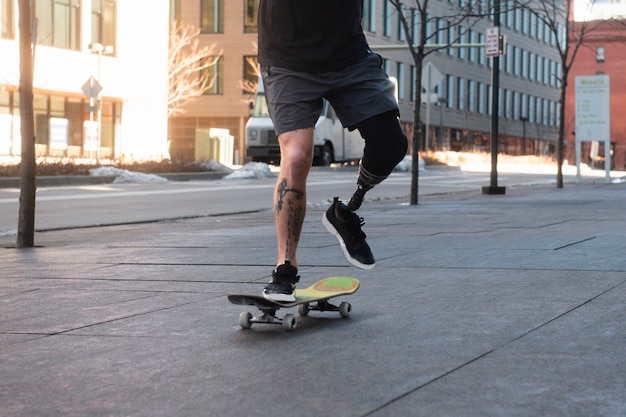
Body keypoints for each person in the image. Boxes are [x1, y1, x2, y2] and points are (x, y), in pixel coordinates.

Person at [259, 0, 408, 302]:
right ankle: (285, 269)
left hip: (349, 55)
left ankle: (345, 213)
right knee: (297, 156)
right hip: (288, 57)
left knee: (391, 145)